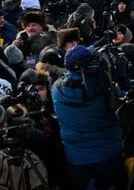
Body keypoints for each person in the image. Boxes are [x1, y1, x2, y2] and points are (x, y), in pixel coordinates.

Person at [51, 45, 124, 189]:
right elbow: (116, 108)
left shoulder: (56, 88)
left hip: (76, 157)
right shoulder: (102, 87)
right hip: (108, 153)